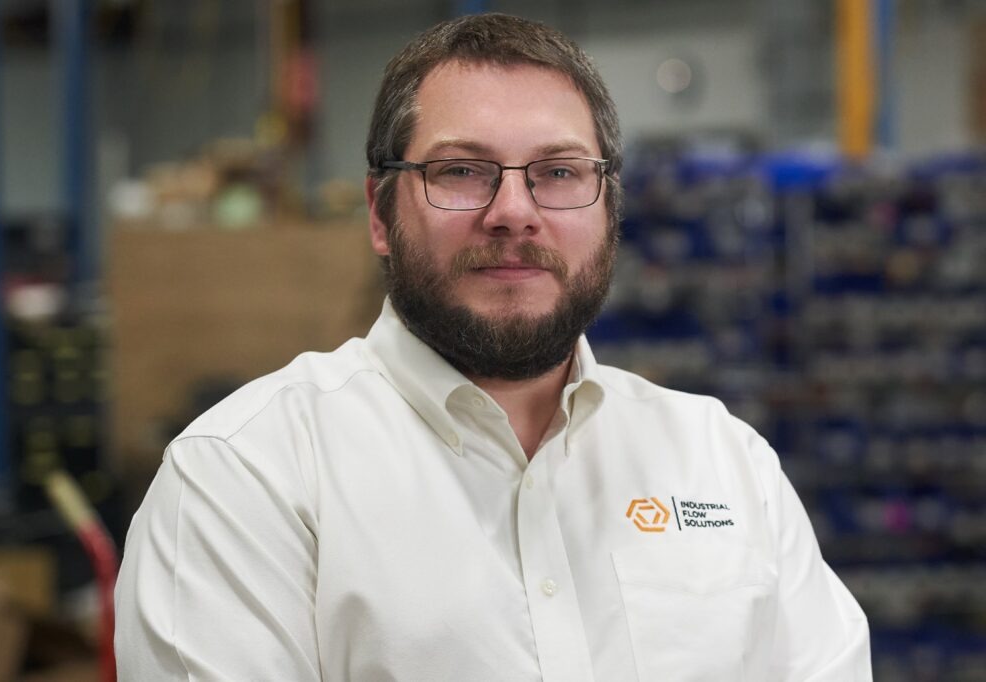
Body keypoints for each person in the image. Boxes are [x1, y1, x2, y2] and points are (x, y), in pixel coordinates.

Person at [115, 13, 872, 681]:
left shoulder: (726, 463)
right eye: (462, 171)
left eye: (559, 172)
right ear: (380, 214)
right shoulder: (244, 480)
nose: (514, 211)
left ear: (609, 209)